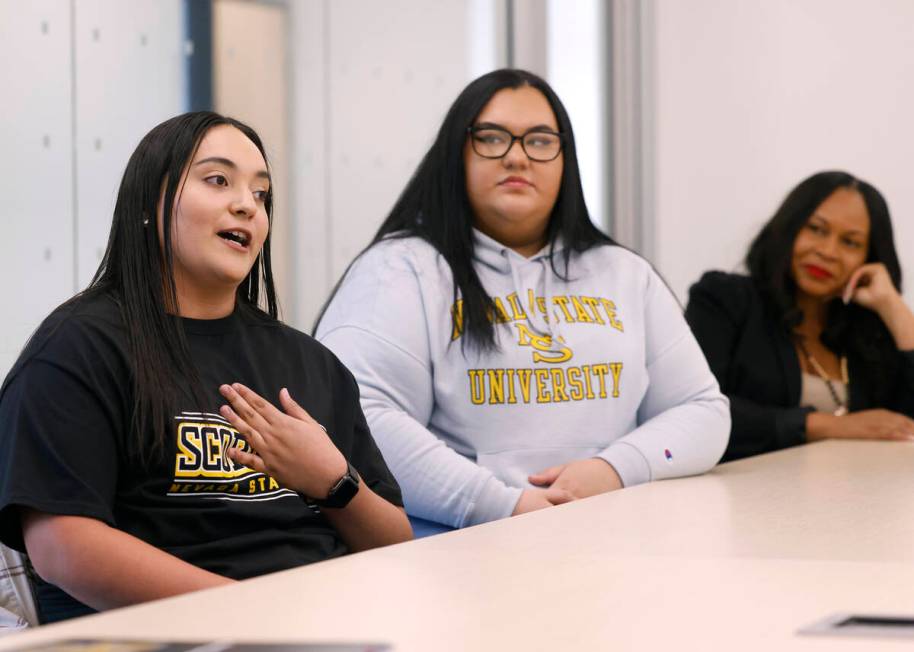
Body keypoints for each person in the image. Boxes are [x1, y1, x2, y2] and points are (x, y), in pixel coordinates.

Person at [0, 112, 411, 623]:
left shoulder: (309, 363)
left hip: (322, 622)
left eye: (261, 195)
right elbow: (63, 548)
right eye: (218, 180)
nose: (247, 205)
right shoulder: (78, 348)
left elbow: (397, 546)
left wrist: (333, 482)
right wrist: (252, 615)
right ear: (151, 201)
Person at [314, 69, 729, 531]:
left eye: (540, 140)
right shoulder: (401, 270)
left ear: (565, 159)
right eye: (492, 138)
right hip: (460, 552)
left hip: (614, 538)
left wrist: (614, 470)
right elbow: (359, 414)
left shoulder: (623, 274)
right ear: (457, 154)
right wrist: (502, 505)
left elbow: (702, 411)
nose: (517, 157)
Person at [686, 171, 914, 462]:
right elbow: (695, 409)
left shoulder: (866, 329)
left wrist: (894, 308)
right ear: (789, 228)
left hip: (856, 500)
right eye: (817, 229)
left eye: (850, 243)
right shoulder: (725, 299)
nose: (828, 251)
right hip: (743, 498)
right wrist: (830, 426)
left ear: (869, 258)